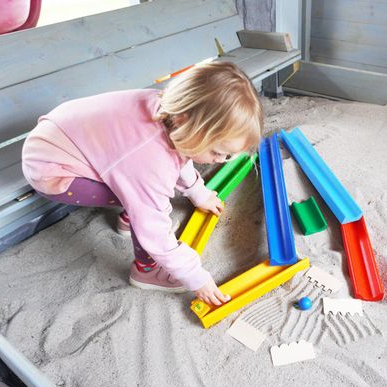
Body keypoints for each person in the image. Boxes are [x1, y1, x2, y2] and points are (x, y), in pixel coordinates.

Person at [21, 62, 263, 306]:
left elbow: (182, 152)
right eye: (218, 153)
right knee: (144, 208)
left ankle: (127, 218)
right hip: (52, 170)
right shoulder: (149, 158)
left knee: (140, 190)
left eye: (227, 156)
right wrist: (196, 277)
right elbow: (152, 223)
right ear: (183, 121)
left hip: (69, 138)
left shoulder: (172, 113)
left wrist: (197, 191)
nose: (221, 160)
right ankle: (147, 270)